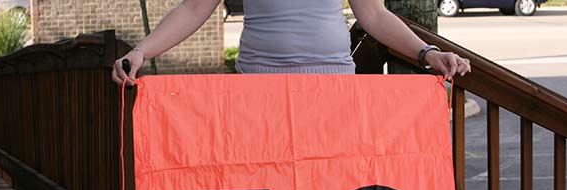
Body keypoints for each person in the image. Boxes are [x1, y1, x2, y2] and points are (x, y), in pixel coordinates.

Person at [112, 0, 471, 86]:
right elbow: (193, 9)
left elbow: (374, 14)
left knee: (329, 189)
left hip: (332, 90)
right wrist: (141, 51)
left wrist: (428, 53)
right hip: (259, 90)